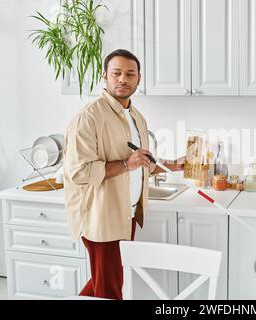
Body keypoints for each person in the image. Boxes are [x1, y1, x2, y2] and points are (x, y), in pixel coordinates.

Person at [63, 49, 184, 300]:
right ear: (104, 76)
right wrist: (126, 164)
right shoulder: (89, 116)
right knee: (110, 288)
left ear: (139, 79)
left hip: (125, 213)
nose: (123, 79)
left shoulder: (136, 116)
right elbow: (78, 171)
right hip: (101, 216)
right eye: (116, 73)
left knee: (104, 281)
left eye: (130, 74)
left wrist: (175, 165)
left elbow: (142, 162)